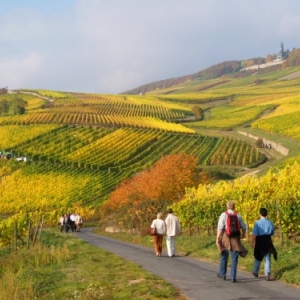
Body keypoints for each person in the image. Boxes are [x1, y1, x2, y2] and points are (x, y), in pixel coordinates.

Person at [216, 200, 248, 282]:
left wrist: (217, 238)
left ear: (227, 206)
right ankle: (233, 277)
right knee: (234, 257)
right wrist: (243, 234)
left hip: (225, 237)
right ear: (234, 207)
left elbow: (220, 228)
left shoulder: (223, 215)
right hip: (235, 238)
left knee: (224, 254)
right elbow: (244, 227)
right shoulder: (238, 215)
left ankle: (222, 274)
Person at [251, 208, 277, 281]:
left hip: (259, 241)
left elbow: (255, 234)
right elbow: (272, 232)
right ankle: (267, 274)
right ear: (267, 214)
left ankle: (255, 272)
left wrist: (252, 242)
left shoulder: (257, 223)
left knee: (258, 257)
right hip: (267, 240)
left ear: (260, 214)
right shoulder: (270, 222)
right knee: (267, 257)